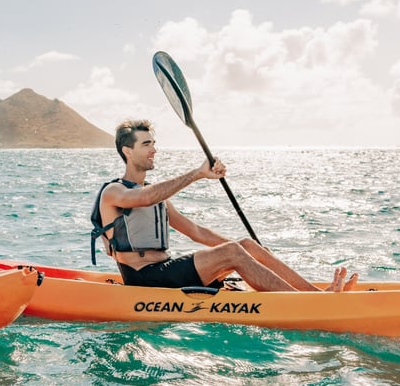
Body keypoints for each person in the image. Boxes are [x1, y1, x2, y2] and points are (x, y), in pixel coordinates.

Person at [92, 119, 357, 293]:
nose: (154, 150)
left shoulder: (157, 196)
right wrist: (197, 173)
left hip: (168, 270)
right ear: (127, 151)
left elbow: (198, 232)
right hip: (144, 279)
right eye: (146, 144)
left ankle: (317, 295)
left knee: (244, 245)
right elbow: (144, 198)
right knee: (232, 251)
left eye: (154, 144)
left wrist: (249, 253)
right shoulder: (114, 192)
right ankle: (305, 306)